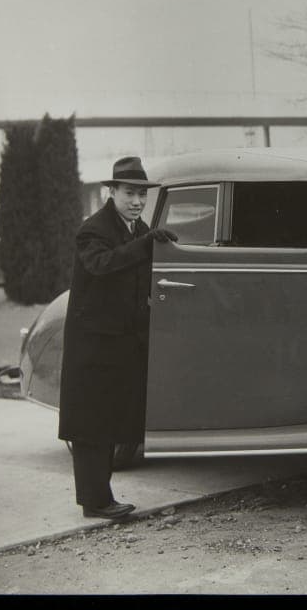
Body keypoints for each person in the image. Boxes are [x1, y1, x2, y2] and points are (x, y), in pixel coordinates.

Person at [57, 155, 177, 519]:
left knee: (110, 421)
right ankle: (95, 502)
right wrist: (145, 246)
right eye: (130, 193)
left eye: (142, 194)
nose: (138, 201)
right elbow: (102, 265)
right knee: (92, 426)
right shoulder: (93, 229)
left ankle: (100, 498)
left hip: (121, 342)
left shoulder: (138, 230)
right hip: (93, 344)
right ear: (113, 192)